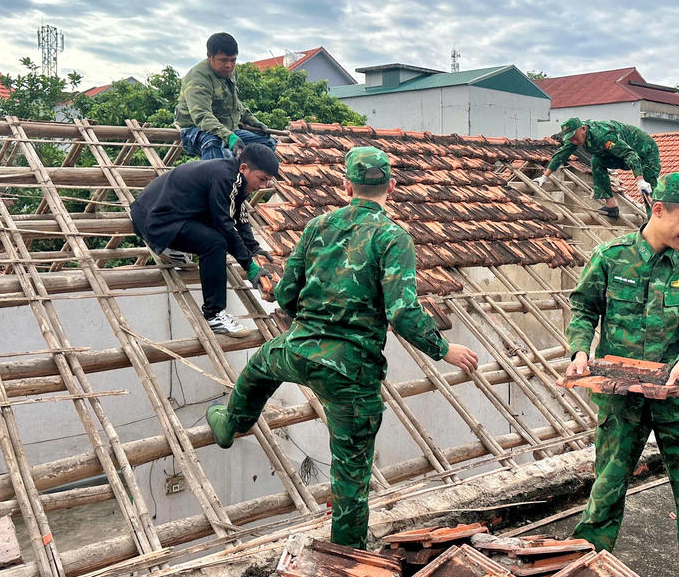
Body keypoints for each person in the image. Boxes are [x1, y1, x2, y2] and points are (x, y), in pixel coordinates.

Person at [206, 146, 479, 548]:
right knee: (351, 476)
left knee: (258, 368)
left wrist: (281, 290)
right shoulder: (393, 238)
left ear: (346, 185)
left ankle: (232, 422)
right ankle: (347, 560)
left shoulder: (317, 226)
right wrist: (445, 350)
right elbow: (403, 314)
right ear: (393, 186)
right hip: (349, 372)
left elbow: (284, 295)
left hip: (298, 349)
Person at [564, 171, 679, 577]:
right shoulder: (610, 256)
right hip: (620, 397)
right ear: (658, 210)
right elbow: (583, 308)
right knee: (605, 492)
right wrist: (580, 349)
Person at [129, 144, 279, 338]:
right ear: (244, 168)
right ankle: (214, 315)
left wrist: (253, 248)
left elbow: (239, 215)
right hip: (156, 220)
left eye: (268, 181)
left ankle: (170, 249)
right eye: (262, 179)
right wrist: (249, 267)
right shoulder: (225, 178)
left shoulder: (236, 179)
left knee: (216, 231)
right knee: (215, 243)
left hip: (153, 210)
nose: (263, 186)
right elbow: (225, 226)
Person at [174, 32, 277, 160]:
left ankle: (243, 176)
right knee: (213, 143)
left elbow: (235, 104)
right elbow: (201, 116)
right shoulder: (197, 78)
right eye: (223, 60)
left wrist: (253, 121)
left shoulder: (229, 72)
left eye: (233, 60)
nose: (229, 65)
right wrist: (229, 137)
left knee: (267, 143)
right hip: (195, 130)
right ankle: (214, 178)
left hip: (226, 129)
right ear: (210, 57)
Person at [535, 118, 660, 218]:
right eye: (570, 139)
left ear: (583, 129)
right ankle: (611, 206)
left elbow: (630, 154)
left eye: (574, 137)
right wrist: (544, 177)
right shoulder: (576, 138)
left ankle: (655, 222)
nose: (573, 141)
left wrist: (639, 180)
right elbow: (560, 156)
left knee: (648, 189)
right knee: (596, 160)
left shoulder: (602, 136)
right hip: (621, 156)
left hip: (645, 151)